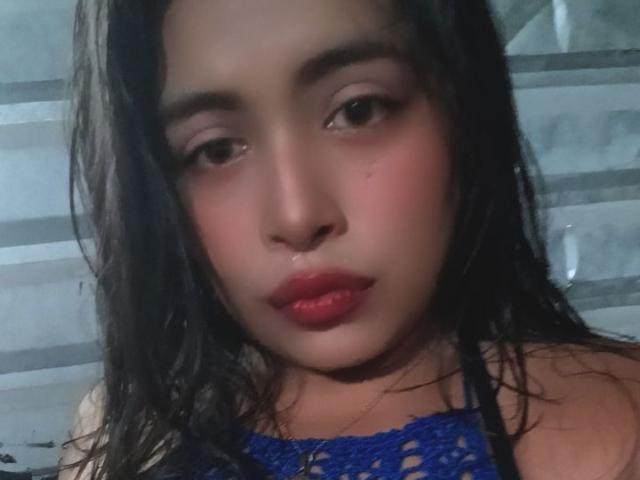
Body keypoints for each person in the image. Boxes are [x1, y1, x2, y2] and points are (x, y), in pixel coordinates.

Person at [59, 0, 640, 479]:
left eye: (358, 111)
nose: (296, 216)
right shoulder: (120, 432)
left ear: (461, 106)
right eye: (216, 150)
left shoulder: (618, 419)